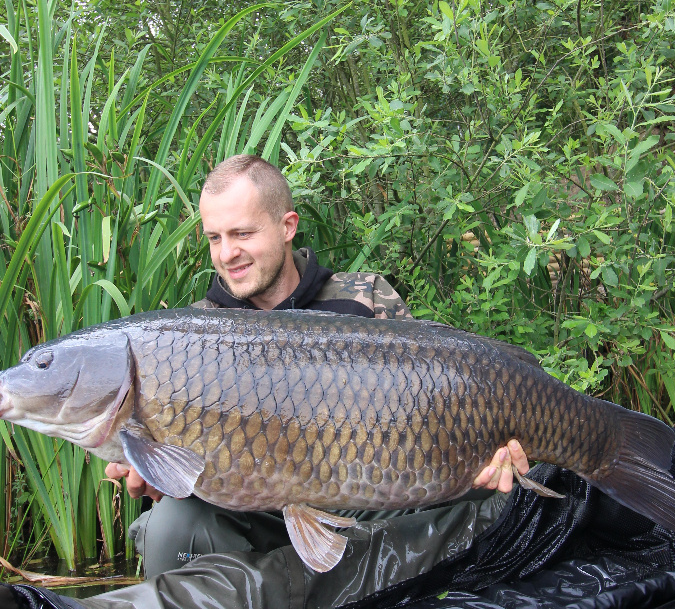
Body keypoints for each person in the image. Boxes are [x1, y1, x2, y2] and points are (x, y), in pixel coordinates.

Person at [106, 155, 530, 576]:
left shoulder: (365, 300)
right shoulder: (192, 337)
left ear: (287, 226)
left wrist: (484, 457)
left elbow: (429, 406)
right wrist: (156, 480)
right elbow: (177, 468)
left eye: (242, 233)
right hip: (258, 517)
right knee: (171, 528)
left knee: (474, 495)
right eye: (214, 238)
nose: (227, 253)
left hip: (367, 500)